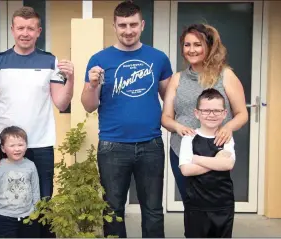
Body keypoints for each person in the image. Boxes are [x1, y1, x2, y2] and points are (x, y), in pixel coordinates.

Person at [0, 6, 74, 238]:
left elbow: (62, 103)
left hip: (40, 146)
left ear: (38, 31)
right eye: (20, 27)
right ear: (12, 29)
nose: (25, 33)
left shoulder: (49, 61)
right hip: (3, 146)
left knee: (42, 203)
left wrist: (70, 79)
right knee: (3, 203)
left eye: (31, 28)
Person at [81, 1, 172, 238]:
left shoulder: (158, 58)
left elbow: (170, 100)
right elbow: (89, 105)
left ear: (142, 25)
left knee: (152, 210)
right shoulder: (99, 60)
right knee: (112, 210)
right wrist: (92, 85)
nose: (128, 30)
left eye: (133, 24)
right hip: (112, 146)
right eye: (122, 25)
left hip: (151, 144)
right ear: (114, 26)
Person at [161, 23, 248, 201]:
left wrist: (228, 127)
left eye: (197, 44)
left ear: (209, 47)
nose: (191, 50)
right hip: (183, 150)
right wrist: (177, 127)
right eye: (187, 45)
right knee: (191, 203)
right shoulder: (177, 79)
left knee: (214, 204)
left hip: (216, 150)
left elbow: (242, 114)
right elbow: (166, 117)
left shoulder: (226, 76)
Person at [178, 88, 236, 238]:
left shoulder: (226, 137)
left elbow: (228, 165)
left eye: (217, 111)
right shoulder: (189, 138)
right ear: (197, 113)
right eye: (206, 110)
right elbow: (186, 170)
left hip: (223, 204)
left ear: (224, 114)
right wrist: (216, 160)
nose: (211, 115)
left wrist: (196, 159)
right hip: (196, 205)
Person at [0, 126, 40, 238]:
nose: (17, 149)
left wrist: (35, 211)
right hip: (4, 218)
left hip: (28, 217)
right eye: (12, 145)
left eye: (20, 145)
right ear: (3, 148)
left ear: (26, 146)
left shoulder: (30, 165)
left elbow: (35, 189)